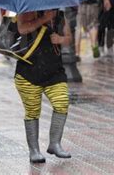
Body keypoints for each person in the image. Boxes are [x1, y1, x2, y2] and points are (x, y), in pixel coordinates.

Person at [15, 10, 72, 164]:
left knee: (62, 103)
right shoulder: (27, 10)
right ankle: (34, 150)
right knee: (32, 111)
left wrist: (60, 39)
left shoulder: (59, 15)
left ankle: (55, 143)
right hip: (28, 72)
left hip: (54, 71)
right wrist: (44, 19)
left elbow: (68, 39)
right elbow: (22, 29)